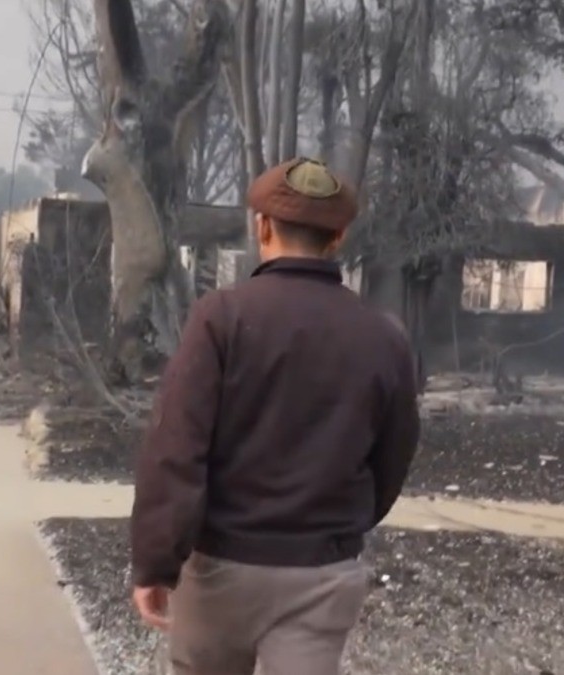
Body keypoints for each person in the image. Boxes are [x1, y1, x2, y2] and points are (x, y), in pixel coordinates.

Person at [128, 157, 421, 675]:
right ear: (338, 237)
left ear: (262, 227)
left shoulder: (221, 317)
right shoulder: (382, 336)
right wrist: (338, 527)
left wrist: (157, 560)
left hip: (222, 567)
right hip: (322, 572)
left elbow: (177, 448)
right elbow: (393, 457)